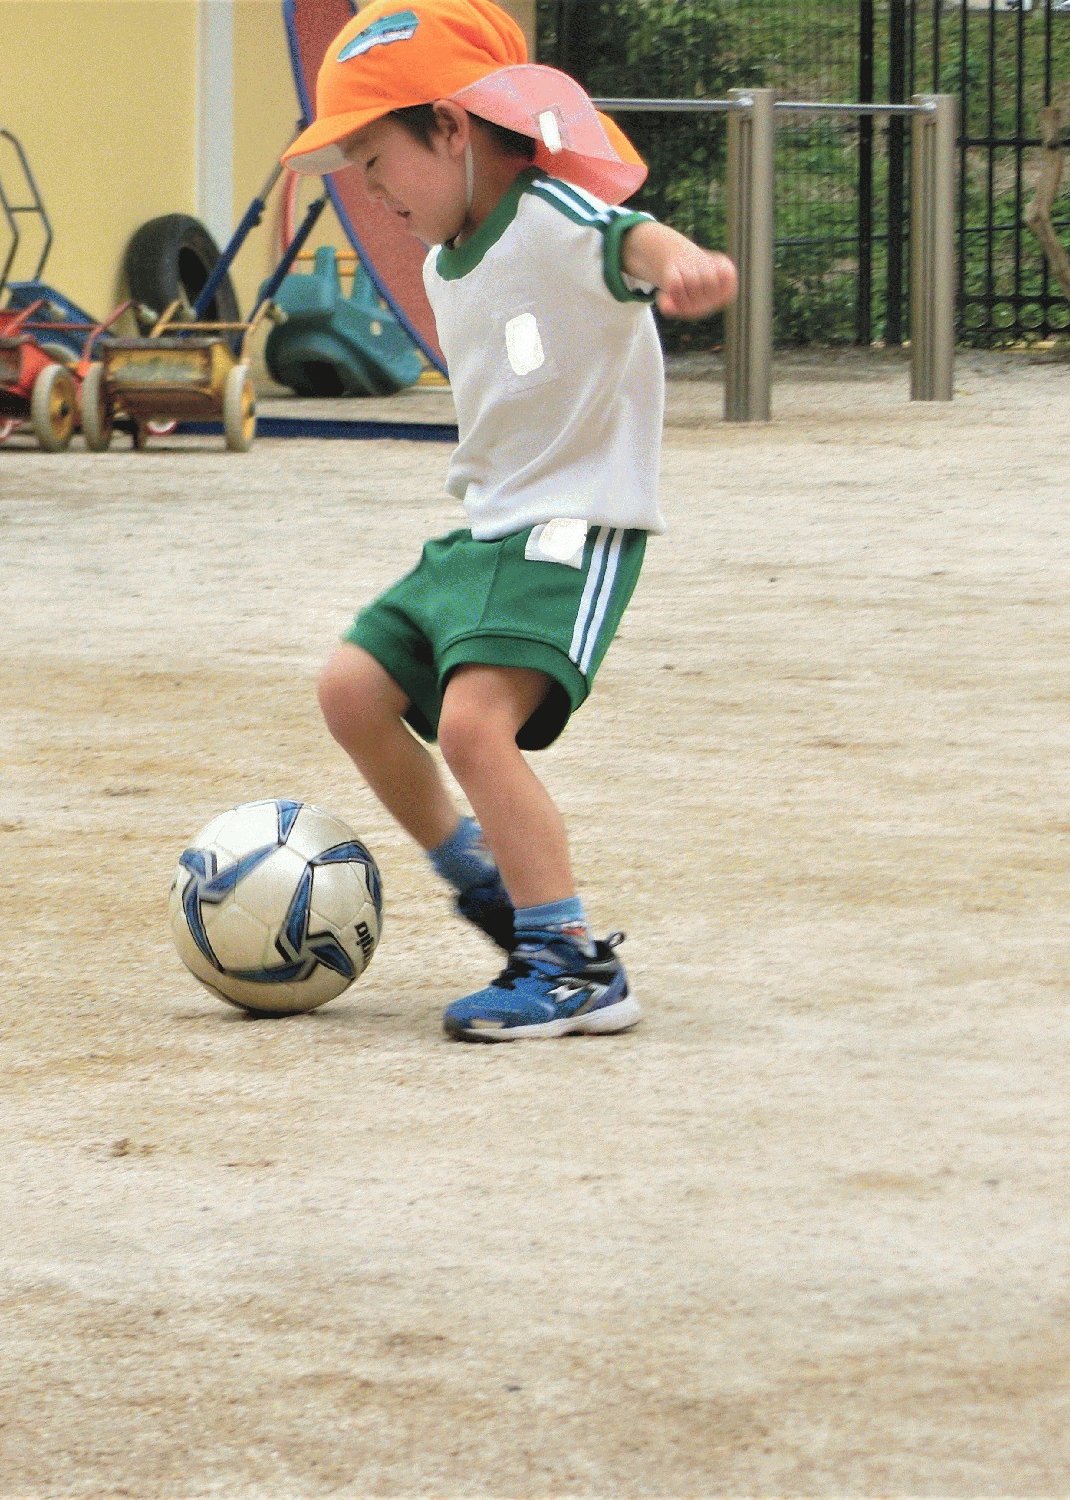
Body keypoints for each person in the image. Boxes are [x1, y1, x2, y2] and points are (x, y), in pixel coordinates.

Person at [281, 0, 737, 1040]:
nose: (370, 187)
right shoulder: (448, 258)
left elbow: (626, 238)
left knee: (470, 726)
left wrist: (678, 266)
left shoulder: (546, 215)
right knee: (350, 689)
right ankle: (479, 875)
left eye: (374, 155)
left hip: (573, 526)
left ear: (449, 127)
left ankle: (570, 961)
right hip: (489, 525)